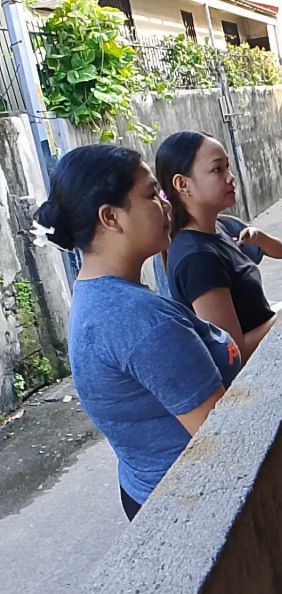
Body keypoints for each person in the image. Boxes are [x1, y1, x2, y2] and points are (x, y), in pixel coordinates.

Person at [34, 144, 241, 521]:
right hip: (193, 504)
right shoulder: (139, 321)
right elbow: (223, 437)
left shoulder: (95, 296)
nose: (166, 204)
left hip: (148, 490)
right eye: (151, 194)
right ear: (111, 217)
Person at [155, 131, 282, 362]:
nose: (230, 178)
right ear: (182, 184)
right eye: (217, 169)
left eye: (228, 167)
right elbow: (234, 353)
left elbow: (280, 252)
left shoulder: (223, 227)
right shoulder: (197, 258)